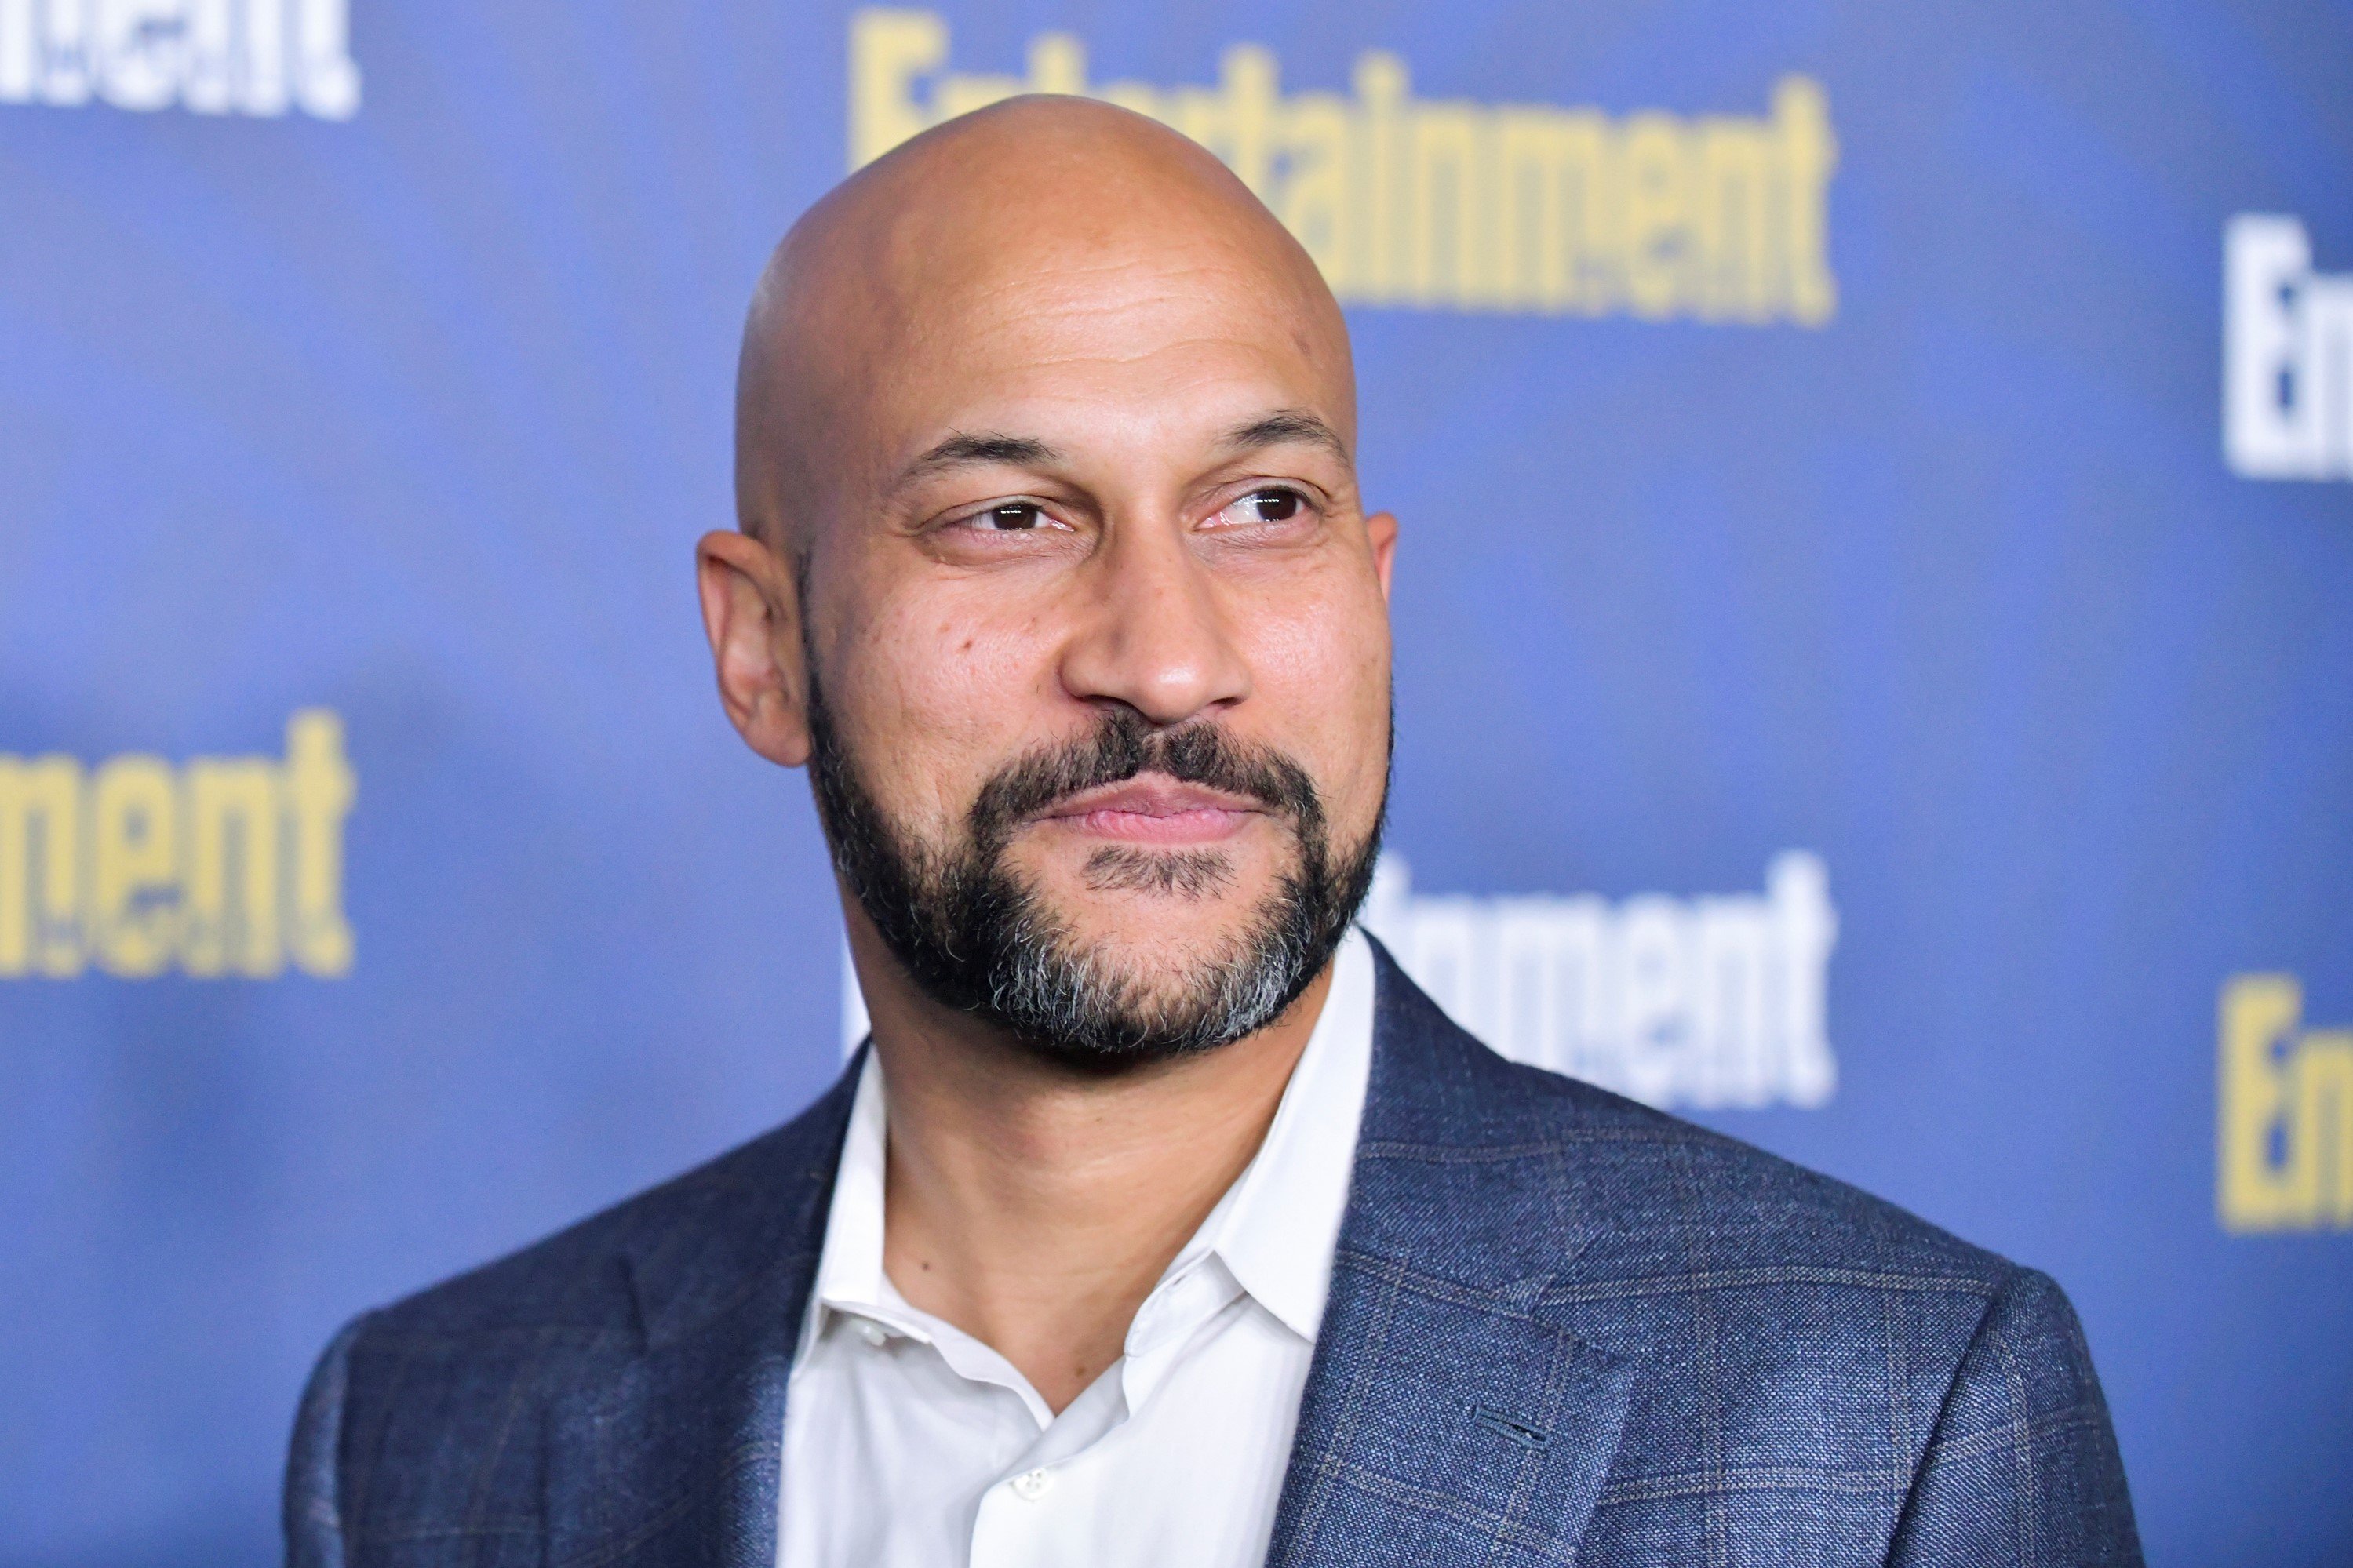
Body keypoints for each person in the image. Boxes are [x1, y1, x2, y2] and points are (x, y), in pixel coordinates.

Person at [283, 96, 2141, 1567]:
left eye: (1264, 504)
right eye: (1012, 518)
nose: (1168, 656)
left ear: (1375, 582)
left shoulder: (1885, 1421)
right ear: (762, 646)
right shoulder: (432, 1442)